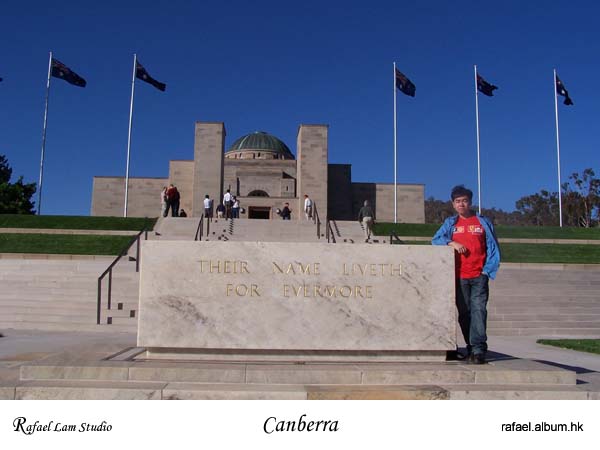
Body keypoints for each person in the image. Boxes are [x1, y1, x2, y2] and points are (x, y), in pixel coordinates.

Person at [432, 185, 500, 365]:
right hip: (459, 276)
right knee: (465, 313)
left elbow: (493, 248)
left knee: (478, 311)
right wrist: (451, 242)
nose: (461, 204)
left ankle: (478, 349)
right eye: (457, 201)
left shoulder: (482, 222)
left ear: (470, 202)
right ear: (453, 204)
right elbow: (435, 240)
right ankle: (471, 346)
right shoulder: (451, 224)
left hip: (479, 274)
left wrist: (487, 270)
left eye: (464, 201)